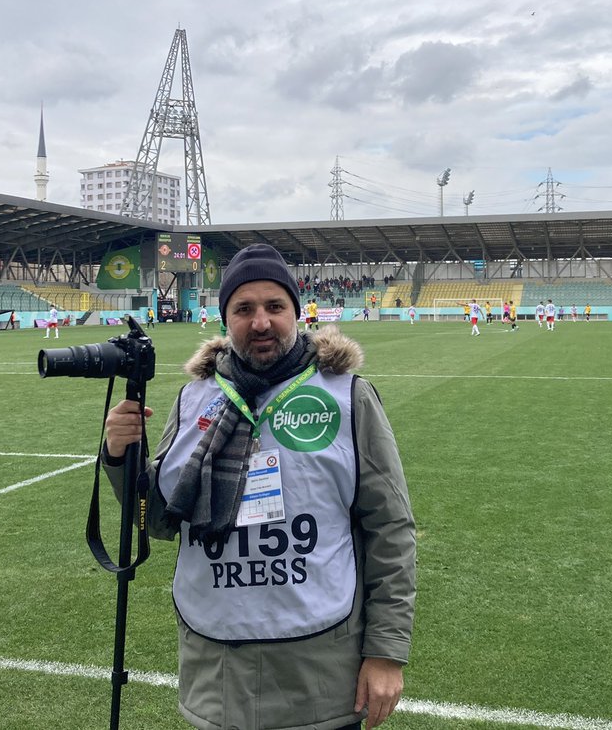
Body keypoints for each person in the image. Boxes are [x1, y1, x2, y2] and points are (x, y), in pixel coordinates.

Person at [103, 243, 415, 730]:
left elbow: (390, 527)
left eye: (275, 306)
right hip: (217, 675)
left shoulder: (347, 395)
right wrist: (122, 458)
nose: (261, 322)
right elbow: (160, 519)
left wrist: (387, 652)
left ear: (297, 311)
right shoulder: (194, 399)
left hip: (320, 677)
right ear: (225, 317)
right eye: (243, 309)